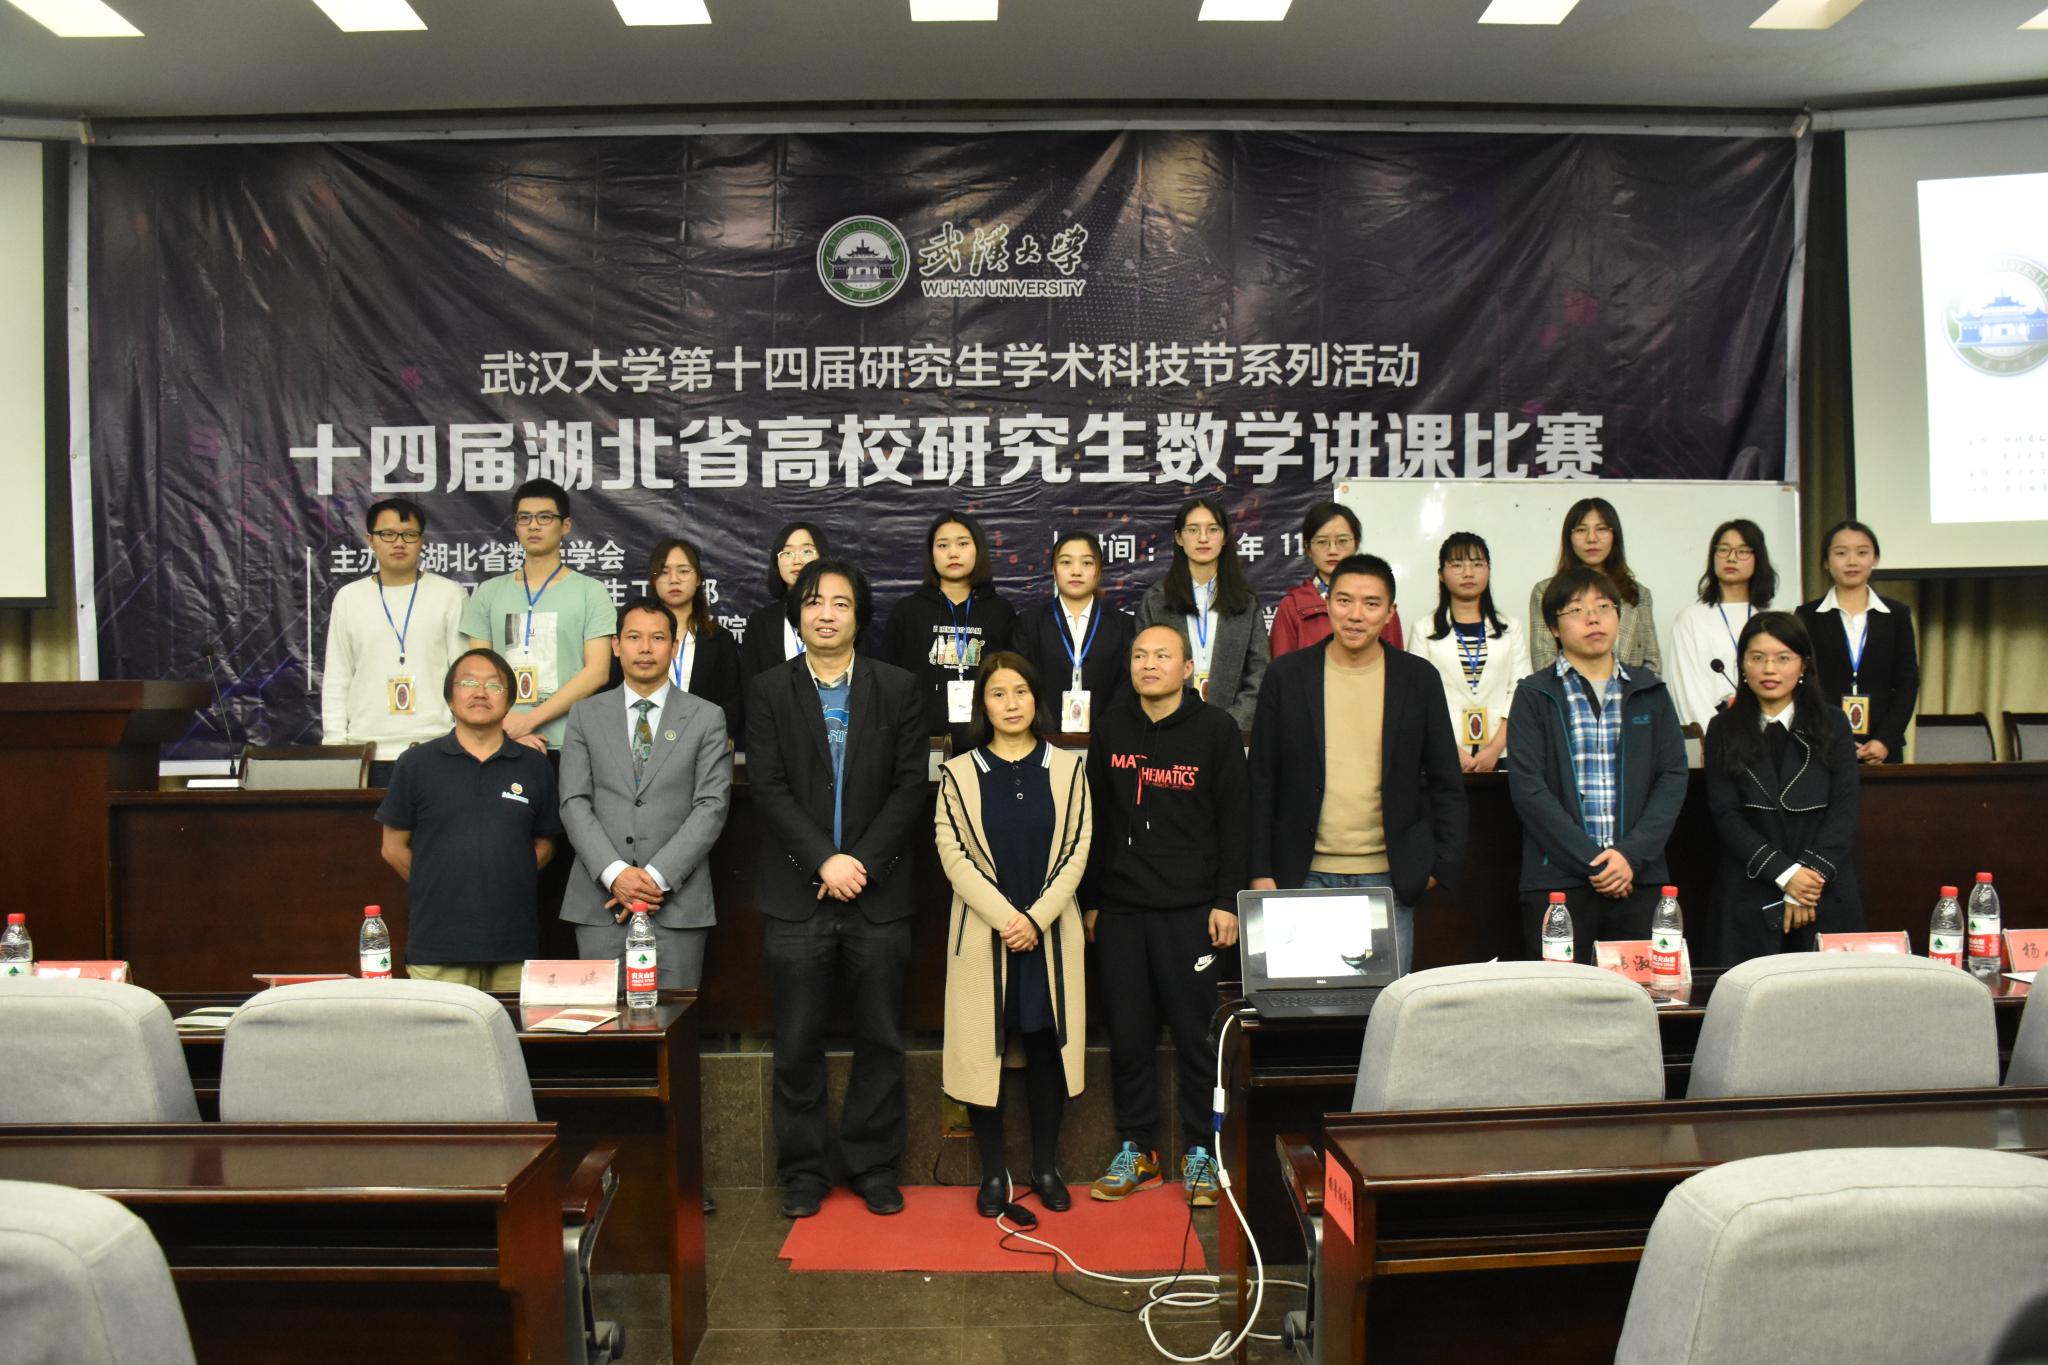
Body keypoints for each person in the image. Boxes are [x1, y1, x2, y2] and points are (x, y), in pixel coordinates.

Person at [745, 558, 928, 1220]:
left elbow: (911, 785)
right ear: (797, 614)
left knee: (881, 1037)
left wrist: (862, 864)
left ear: (860, 615)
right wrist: (825, 861)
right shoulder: (768, 689)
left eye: (841, 603)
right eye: (814, 602)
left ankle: (874, 1166)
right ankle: (804, 1171)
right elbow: (766, 786)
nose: (826, 613)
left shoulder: (899, 687)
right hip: (797, 895)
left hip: (879, 896)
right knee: (797, 1042)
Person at [1082, 624, 1249, 1208]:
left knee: (1197, 1038)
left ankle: (1202, 1151)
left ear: (1187, 668)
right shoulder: (1111, 729)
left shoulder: (1216, 730)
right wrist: (1093, 901)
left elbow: (1236, 821)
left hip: (1193, 912)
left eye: (1162, 655)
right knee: (1129, 1036)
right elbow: (1095, 821)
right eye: (1139, 655)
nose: (1149, 664)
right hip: (1122, 911)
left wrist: (1226, 901)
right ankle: (1138, 1150)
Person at [1248, 555, 1467, 977]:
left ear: (1390, 613)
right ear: (1327, 603)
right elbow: (1261, 779)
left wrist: (1440, 866)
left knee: (1385, 1005)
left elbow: (1446, 781)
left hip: (1389, 877)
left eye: (1371, 604)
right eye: (1344, 600)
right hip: (1302, 874)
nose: (1355, 615)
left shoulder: (1417, 678)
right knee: (1307, 1003)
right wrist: (1259, 870)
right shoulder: (1287, 676)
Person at [934, 652, 1092, 1217]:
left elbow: (1077, 850)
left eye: (1020, 691)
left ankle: (1045, 1167)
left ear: (1036, 698)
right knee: (986, 1048)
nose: (1011, 704)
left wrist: (1036, 919)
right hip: (986, 935)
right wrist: (1007, 918)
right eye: (998, 694)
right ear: (984, 703)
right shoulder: (958, 773)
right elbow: (953, 855)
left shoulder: (1069, 768)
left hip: (1049, 933)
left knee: (1048, 1045)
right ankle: (994, 1173)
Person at [1506, 566, 1688, 964]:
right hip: (1559, 884)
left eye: (1604, 607)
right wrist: (1597, 863)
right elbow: (1528, 788)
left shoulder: (1650, 690)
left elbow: (1672, 778)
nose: (1593, 618)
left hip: (1639, 880)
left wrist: (1628, 857)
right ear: (1554, 627)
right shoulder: (1534, 694)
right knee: (1560, 998)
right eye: (1576, 610)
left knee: (1645, 995)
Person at [557, 595, 732, 989]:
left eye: (658, 638)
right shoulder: (585, 714)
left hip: (676, 902)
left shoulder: (706, 717)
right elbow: (573, 802)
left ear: (674, 646)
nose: (646, 648)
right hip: (600, 902)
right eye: (634, 637)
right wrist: (615, 874)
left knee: (674, 1019)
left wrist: (654, 878)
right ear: (616, 646)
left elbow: (712, 806)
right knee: (603, 1019)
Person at [375, 648, 562, 990]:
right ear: (450, 699)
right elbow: (392, 847)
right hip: (437, 945)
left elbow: (545, 846)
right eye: (469, 683)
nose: (480, 692)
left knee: (510, 1026)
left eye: (494, 685)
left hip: (512, 944)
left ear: (510, 701)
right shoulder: (416, 764)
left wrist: (503, 878)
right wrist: (443, 885)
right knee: (440, 1028)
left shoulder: (535, 766)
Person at [1703, 611, 1863, 962]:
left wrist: (1806, 883)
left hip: (1823, 887)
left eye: (1783, 658)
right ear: (1743, 665)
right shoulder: (1723, 728)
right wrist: (1786, 875)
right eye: (1757, 658)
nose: (1769, 669)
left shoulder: (1833, 723)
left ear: (1803, 665)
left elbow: (1844, 810)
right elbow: (1725, 814)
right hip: (1750, 887)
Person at [459, 478, 618, 753]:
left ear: (565, 525)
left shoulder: (591, 592)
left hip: (570, 740)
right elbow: (477, 672)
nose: (533, 526)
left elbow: (598, 672)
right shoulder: (488, 593)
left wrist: (529, 721)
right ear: (516, 526)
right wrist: (507, 724)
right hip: (500, 738)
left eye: (544, 517)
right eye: (525, 518)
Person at [322, 498, 470, 787]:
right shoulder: (349, 598)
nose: (399, 543)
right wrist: (336, 747)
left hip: (436, 745)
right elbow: (338, 678)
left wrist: (462, 741)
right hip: (367, 750)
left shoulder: (449, 594)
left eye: (409, 535)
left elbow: (463, 675)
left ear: (422, 541)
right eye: (387, 534)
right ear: (371, 540)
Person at [876, 510, 1017, 743]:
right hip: (920, 742)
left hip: (988, 740)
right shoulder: (908, 611)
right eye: (942, 545)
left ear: (978, 550)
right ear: (931, 554)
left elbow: (1013, 680)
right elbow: (888, 683)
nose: (953, 553)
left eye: (963, 543)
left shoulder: (1000, 610)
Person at [1134, 497, 1267, 732]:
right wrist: (1171, 720)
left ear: (1224, 537)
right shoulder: (1156, 600)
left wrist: (1230, 724)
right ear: (1179, 538)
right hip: (1168, 729)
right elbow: (1142, 668)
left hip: (1231, 731)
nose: (1203, 538)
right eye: (1193, 530)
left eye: (1212, 530)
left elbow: (1259, 672)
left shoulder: (1246, 603)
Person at [1796, 520, 1920, 765]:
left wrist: (1885, 740)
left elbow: (1907, 682)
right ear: (1826, 562)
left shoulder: (1896, 614)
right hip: (1823, 744)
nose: (1852, 561)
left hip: (1883, 747)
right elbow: (1801, 682)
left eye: (1862, 553)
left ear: (1875, 559)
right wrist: (1826, 736)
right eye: (1841, 553)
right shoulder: (1807, 616)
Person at [1407, 532, 1526, 774]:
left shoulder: (1511, 628)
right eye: (1457, 565)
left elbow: (1519, 690)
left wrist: (1495, 749)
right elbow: (1418, 697)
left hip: (1502, 753)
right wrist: (1450, 750)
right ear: (1441, 575)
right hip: (1441, 752)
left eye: (1477, 564)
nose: (1468, 573)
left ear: (1489, 570)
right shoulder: (1423, 630)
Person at [1011, 531, 1136, 736]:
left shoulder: (1123, 625)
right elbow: (1019, 681)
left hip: (1107, 736)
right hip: (1042, 736)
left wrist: (1106, 728)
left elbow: (1128, 684)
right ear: (1054, 569)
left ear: (1099, 570)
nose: (1076, 571)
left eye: (1086, 563)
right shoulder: (1029, 623)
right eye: (1066, 562)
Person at [1528, 497, 1661, 674]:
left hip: (1630, 690)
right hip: (1567, 690)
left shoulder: (1638, 594)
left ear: (1615, 536)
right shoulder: (1545, 592)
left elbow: (1652, 663)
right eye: (1581, 530)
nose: (1592, 538)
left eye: (1602, 529)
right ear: (1569, 537)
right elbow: (1544, 660)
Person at [1668, 520, 1779, 732]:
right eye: (1723, 549)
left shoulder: (1774, 618)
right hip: (1714, 735)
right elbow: (1687, 693)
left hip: (1769, 732)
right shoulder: (1690, 619)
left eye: (1742, 551)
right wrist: (1718, 737)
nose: (1731, 558)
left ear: (1758, 558)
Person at [1268, 501, 1404, 657]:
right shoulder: (1292, 605)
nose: (1332, 550)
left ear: (1356, 544)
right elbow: (1282, 667)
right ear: (1308, 548)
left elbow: (1396, 663)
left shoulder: (1378, 602)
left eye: (1342, 541)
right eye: (1322, 542)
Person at [644, 538, 744, 741]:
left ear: (698, 579)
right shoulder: (639, 637)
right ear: (653, 581)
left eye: (683, 571)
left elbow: (732, 703)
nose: (674, 580)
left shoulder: (719, 639)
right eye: (664, 572)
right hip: (646, 742)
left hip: (703, 745)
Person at [739, 521, 831, 689]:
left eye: (806, 551)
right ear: (777, 563)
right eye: (787, 553)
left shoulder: (843, 616)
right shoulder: (760, 623)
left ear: (822, 557)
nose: (796, 560)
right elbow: (750, 687)